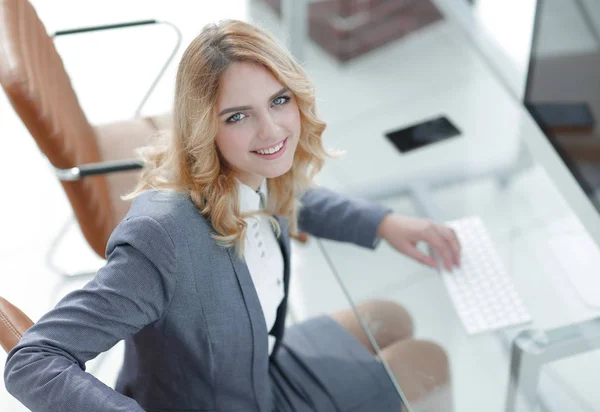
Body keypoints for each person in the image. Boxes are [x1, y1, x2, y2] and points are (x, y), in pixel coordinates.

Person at [4, 19, 461, 412]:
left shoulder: (251, 167)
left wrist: (384, 224)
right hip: (222, 401)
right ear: (204, 125)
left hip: (259, 365)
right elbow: (33, 360)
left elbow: (289, 197)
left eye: (279, 100)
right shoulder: (162, 238)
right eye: (239, 116)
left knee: (391, 316)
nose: (272, 131)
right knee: (427, 363)